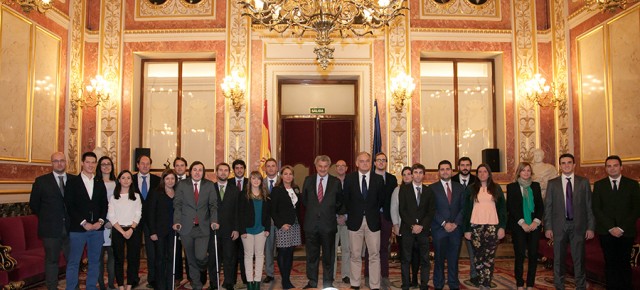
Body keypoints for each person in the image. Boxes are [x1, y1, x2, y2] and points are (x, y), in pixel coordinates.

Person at [544, 153, 595, 290]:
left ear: (574, 165)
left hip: (578, 226)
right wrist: (548, 227)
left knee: (579, 259)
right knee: (559, 260)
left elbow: (589, 206)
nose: (566, 165)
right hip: (559, 226)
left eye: (569, 162)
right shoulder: (552, 183)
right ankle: (559, 286)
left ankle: (580, 286)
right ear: (560, 166)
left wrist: (590, 227)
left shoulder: (583, 182)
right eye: (563, 163)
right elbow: (548, 207)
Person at [592, 155, 640, 290]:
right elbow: (596, 208)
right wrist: (611, 228)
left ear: (621, 167)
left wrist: (621, 228)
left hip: (626, 232)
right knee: (610, 263)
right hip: (606, 232)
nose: (612, 168)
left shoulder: (632, 184)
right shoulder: (599, 185)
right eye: (609, 166)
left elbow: (636, 208)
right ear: (605, 169)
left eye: (615, 165)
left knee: (624, 263)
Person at [29, 152, 74, 290]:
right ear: (51, 163)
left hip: (72, 228)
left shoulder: (75, 180)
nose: (59, 163)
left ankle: (73, 286)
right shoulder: (41, 181)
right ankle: (52, 287)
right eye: (56, 161)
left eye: (62, 160)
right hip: (50, 229)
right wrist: (49, 217)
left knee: (73, 261)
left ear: (66, 162)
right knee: (52, 261)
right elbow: (34, 205)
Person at [65, 151, 109, 290]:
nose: (90, 165)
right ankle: (71, 287)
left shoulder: (99, 182)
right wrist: (84, 222)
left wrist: (100, 221)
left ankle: (91, 287)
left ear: (96, 164)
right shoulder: (72, 182)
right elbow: (69, 205)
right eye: (88, 162)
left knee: (95, 261)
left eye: (93, 162)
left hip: (97, 229)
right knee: (74, 262)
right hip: (78, 229)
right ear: (82, 163)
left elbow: (104, 204)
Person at [173, 161, 218, 290]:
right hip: (186, 228)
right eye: (195, 170)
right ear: (190, 171)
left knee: (200, 256)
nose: (197, 172)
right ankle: (197, 285)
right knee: (191, 259)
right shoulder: (182, 185)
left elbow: (213, 205)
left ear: (203, 173)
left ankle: (204, 265)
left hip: (203, 228)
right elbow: (177, 205)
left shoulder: (209, 185)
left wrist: (214, 221)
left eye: (200, 170)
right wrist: (176, 221)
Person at [342, 152, 385, 290]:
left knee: (374, 255)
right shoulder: (349, 179)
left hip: (373, 221)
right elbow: (346, 200)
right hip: (355, 222)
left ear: (371, 163)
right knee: (355, 254)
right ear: (356, 163)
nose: (365, 163)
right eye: (362, 161)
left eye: (367, 161)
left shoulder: (378, 179)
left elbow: (381, 200)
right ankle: (355, 284)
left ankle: (374, 285)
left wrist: (370, 211)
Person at [300, 155, 344, 289]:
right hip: (311, 225)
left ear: (329, 167)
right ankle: (312, 281)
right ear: (316, 166)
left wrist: (327, 211)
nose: (323, 169)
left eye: (325, 166)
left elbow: (339, 202)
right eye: (320, 166)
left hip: (328, 225)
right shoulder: (308, 180)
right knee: (311, 256)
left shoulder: (335, 182)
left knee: (328, 257)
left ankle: (327, 283)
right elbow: (304, 201)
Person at [463, 163, 507, 290]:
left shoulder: (496, 188)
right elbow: (466, 210)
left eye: (485, 171)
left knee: (489, 257)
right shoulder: (471, 189)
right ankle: (480, 281)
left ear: (489, 174)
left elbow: (502, 209)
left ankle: (486, 283)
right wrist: (467, 229)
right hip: (475, 227)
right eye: (480, 172)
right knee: (478, 257)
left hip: (492, 227)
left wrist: (502, 227)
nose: (482, 174)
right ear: (477, 174)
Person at [507, 162, 544, 290]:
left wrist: (536, 222)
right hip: (519, 226)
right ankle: (519, 283)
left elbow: (540, 206)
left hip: (534, 225)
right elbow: (511, 207)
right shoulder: (512, 187)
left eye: (528, 170)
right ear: (519, 172)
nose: (526, 173)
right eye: (523, 170)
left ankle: (530, 283)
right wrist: (522, 222)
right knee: (520, 255)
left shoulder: (536, 186)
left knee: (533, 255)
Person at [399, 163, 435, 290]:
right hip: (408, 229)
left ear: (424, 175)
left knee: (425, 259)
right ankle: (406, 284)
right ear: (412, 174)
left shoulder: (428, 191)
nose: (418, 175)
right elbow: (402, 210)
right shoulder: (404, 189)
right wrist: (413, 225)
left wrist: (421, 226)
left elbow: (431, 212)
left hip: (423, 231)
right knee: (406, 259)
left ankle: (424, 284)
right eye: (415, 172)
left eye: (420, 172)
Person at [430, 160, 465, 290]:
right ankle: (438, 284)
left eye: (447, 169)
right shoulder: (432, 188)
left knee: (453, 259)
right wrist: (444, 223)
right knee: (439, 259)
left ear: (452, 171)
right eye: (442, 169)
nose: (445, 171)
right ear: (439, 172)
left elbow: (464, 208)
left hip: (456, 229)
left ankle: (453, 284)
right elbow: (431, 209)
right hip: (439, 229)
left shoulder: (459, 187)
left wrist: (455, 223)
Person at [108, 170, 143, 290]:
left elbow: (138, 214)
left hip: (133, 230)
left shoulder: (136, 196)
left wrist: (131, 229)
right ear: (119, 180)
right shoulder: (113, 197)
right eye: (123, 178)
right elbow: (111, 216)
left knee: (133, 259)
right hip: (118, 229)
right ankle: (121, 285)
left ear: (132, 181)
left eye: (129, 178)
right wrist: (122, 231)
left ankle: (129, 284)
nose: (126, 180)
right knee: (119, 259)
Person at [209, 163, 241, 290]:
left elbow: (238, 211)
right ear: (216, 172)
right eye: (220, 170)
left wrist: (237, 229)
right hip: (213, 230)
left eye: (225, 170)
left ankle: (229, 283)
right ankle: (213, 283)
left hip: (230, 230)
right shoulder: (210, 188)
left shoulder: (234, 189)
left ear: (229, 173)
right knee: (213, 259)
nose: (223, 172)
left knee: (229, 258)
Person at [270, 165, 302, 290]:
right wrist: (280, 224)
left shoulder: (296, 189)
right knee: (283, 252)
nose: (288, 176)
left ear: (293, 176)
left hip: (294, 225)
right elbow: (273, 210)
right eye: (285, 174)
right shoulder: (277, 190)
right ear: (281, 176)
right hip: (283, 226)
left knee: (290, 253)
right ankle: (285, 281)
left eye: (290, 174)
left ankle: (287, 278)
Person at [132, 155, 161, 288]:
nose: (145, 166)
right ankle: (132, 279)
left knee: (152, 252)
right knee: (134, 251)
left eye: (147, 163)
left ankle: (153, 279)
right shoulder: (129, 179)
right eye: (142, 163)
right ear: (137, 165)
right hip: (133, 221)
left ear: (150, 165)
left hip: (152, 221)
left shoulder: (157, 180)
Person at [147, 169, 179, 290]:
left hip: (173, 231)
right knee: (160, 259)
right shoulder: (156, 192)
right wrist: (152, 232)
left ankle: (169, 285)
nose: (170, 181)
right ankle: (160, 286)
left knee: (172, 258)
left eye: (172, 178)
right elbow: (151, 213)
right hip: (159, 232)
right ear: (163, 180)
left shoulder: (177, 193)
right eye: (167, 178)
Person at [239, 171, 271, 290]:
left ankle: (257, 281)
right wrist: (242, 230)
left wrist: (267, 228)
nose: (256, 181)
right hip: (247, 230)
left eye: (258, 179)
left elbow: (268, 214)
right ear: (250, 180)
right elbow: (240, 214)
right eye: (253, 178)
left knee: (259, 255)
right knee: (248, 255)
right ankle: (250, 281)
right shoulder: (243, 195)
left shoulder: (265, 195)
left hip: (261, 229)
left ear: (261, 181)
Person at [370, 152, 397, 287]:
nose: (381, 162)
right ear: (374, 163)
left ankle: (384, 276)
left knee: (384, 247)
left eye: (383, 160)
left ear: (386, 163)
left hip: (386, 217)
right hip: (371, 217)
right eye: (378, 160)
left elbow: (394, 200)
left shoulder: (392, 179)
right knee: (370, 248)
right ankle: (368, 275)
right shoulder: (368, 178)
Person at [451, 156, 479, 286]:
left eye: (467, 165)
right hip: (455, 222)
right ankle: (453, 276)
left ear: (471, 166)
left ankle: (474, 275)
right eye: (462, 165)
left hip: (471, 221)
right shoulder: (451, 180)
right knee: (453, 252)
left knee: (473, 252)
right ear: (458, 167)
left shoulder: (477, 180)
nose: (465, 167)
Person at [390, 166, 420, 287]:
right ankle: (405, 281)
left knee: (416, 255)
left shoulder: (418, 189)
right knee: (405, 256)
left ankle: (414, 280)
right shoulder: (398, 190)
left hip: (417, 229)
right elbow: (393, 209)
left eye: (409, 174)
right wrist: (396, 225)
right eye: (404, 174)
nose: (407, 176)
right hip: (403, 228)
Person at [97, 156, 117, 290]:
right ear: (99, 167)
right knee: (98, 257)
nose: (106, 166)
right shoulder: (95, 182)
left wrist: (112, 221)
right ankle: (101, 284)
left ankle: (111, 283)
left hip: (114, 224)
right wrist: (103, 220)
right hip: (99, 224)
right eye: (103, 164)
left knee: (113, 256)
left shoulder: (117, 183)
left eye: (108, 164)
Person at [333, 159, 351, 284]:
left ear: (347, 168)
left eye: (342, 166)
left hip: (348, 220)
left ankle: (346, 275)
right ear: (335, 168)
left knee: (347, 249)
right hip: (332, 220)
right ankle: (332, 275)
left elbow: (355, 201)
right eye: (338, 166)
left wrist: (345, 216)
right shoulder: (331, 182)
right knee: (332, 249)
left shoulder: (352, 182)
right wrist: (336, 216)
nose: (340, 168)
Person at [232, 159, 249, 286]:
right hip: (231, 225)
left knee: (246, 254)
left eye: (241, 168)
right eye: (236, 168)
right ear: (233, 170)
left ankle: (245, 278)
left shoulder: (250, 182)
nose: (239, 170)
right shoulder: (228, 183)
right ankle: (231, 280)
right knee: (231, 255)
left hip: (247, 225)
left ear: (244, 169)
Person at [262, 158, 279, 284]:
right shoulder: (260, 182)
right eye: (268, 166)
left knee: (283, 250)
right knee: (268, 249)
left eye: (273, 166)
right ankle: (269, 273)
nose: (271, 168)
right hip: (267, 222)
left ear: (277, 168)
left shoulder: (284, 181)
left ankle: (284, 271)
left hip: (281, 222)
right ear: (265, 168)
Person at [172, 157, 188, 284]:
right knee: (175, 250)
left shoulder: (191, 181)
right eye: (177, 165)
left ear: (186, 167)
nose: (179, 168)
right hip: (174, 220)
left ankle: (191, 276)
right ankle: (177, 276)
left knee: (189, 250)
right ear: (174, 168)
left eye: (182, 165)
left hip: (188, 220)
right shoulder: (170, 181)